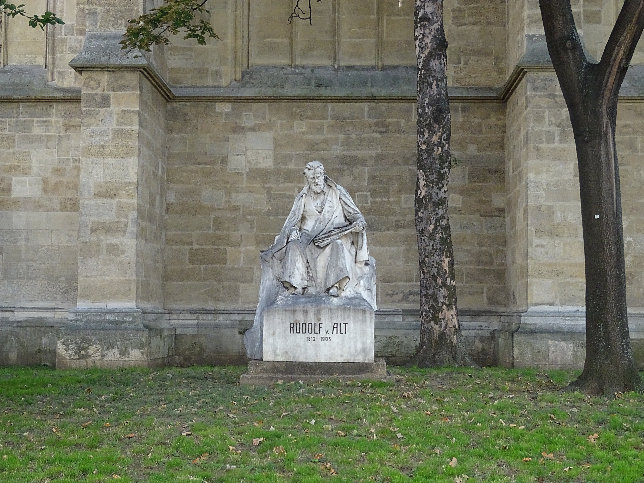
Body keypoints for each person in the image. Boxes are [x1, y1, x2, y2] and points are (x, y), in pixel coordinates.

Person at [261, 161, 369, 297]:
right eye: (312, 178)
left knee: (337, 246)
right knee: (294, 245)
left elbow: (355, 215)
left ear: (323, 175)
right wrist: (293, 230)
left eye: (318, 176)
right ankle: (296, 285)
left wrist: (359, 222)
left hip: (333, 236)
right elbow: (294, 221)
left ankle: (335, 285)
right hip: (307, 238)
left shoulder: (337, 192)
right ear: (307, 179)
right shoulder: (302, 197)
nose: (316, 180)